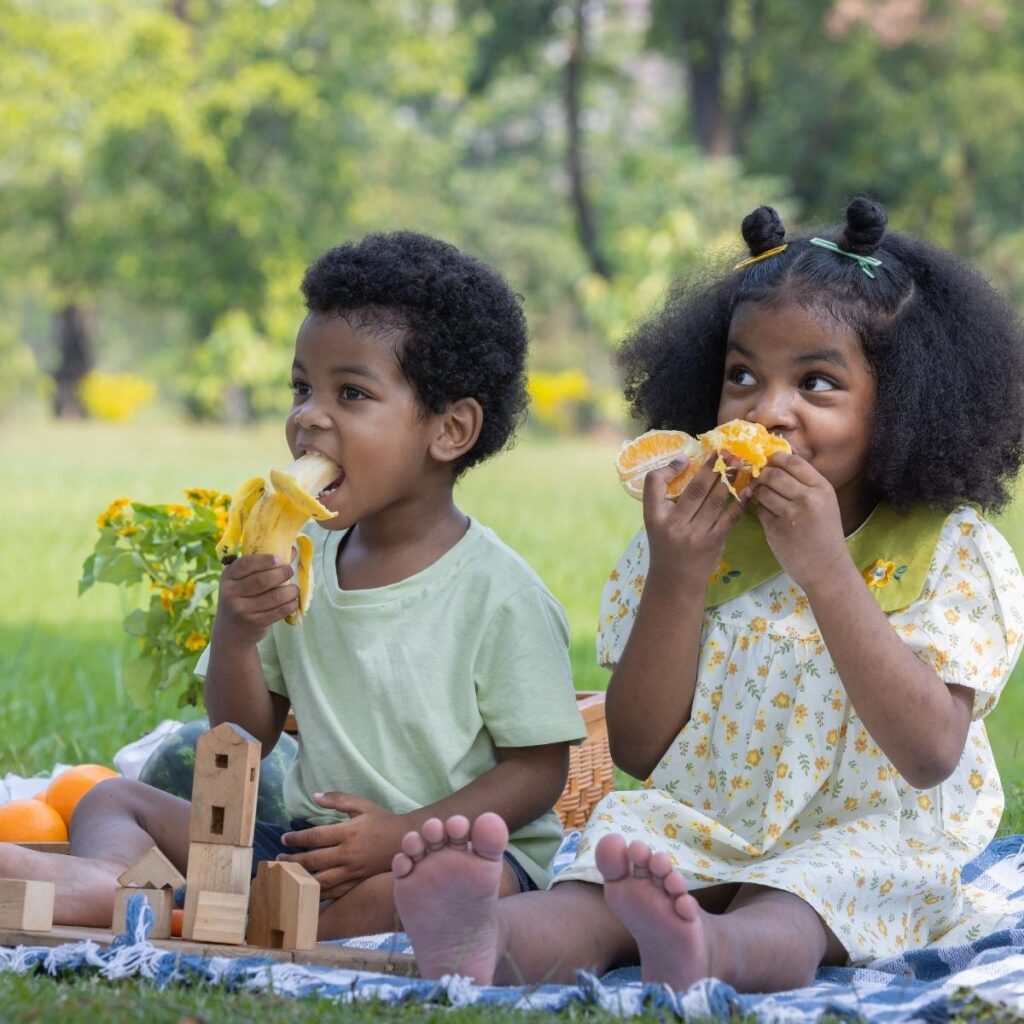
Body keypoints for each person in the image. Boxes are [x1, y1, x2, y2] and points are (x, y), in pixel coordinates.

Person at [392, 198, 1024, 992]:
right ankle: (482, 936)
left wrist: (828, 571)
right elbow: (639, 749)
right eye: (743, 376)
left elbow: (932, 754)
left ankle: (712, 953)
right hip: (705, 820)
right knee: (609, 874)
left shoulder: (949, 551)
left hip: (874, 835)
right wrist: (678, 577)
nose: (769, 410)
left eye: (818, 382)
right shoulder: (691, 532)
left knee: (797, 901)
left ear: (900, 405)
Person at [0, 231, 587, 938]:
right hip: (310, 847)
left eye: (351, 393)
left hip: (452, 850)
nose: (308, 416)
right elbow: (243, 733)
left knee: (443, 883)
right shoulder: (301, 556)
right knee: (109, 801)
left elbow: (537, 773)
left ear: (450, 430)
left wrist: (403, 832)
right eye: (302, 388)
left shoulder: (500, 595)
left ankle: (175, 912)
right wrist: (237, 634)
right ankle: (118, 886)